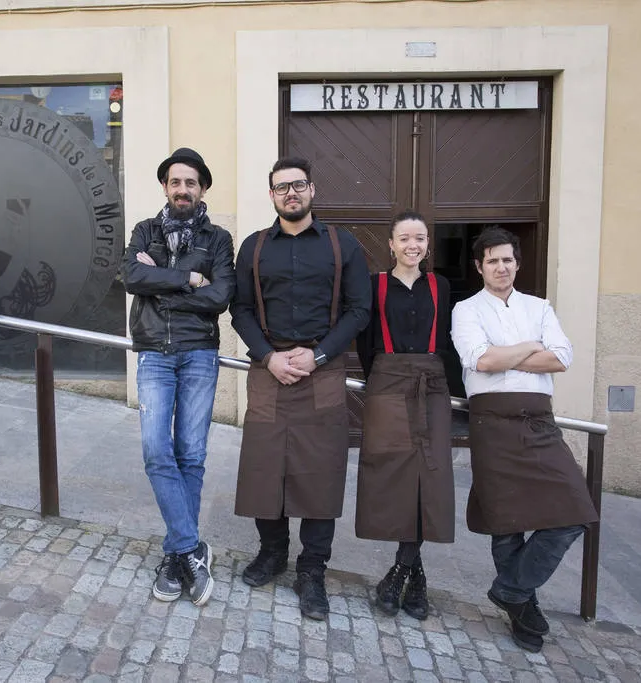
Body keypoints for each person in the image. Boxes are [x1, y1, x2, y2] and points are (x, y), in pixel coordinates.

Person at [230, 157, 371, 620]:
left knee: (320, 472)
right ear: (271, 195)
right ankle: (272, 553)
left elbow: (358, 310)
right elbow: (242, 311)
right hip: (268, 370)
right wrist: (268, 356)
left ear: (312, 189)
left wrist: (320, 355)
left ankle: (313, 570)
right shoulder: (252, 248)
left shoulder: (342, 245)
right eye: (281, 187)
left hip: (322, 371)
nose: (291, 193)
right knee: (264, 467)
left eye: (298, 185)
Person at [451, 226, 598, 653]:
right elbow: (479, 358)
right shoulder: (466, 309)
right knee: (506, 521)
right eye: (493, 260)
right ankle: (523, 612)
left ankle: (511, 589)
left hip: (538, 420)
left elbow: (563, 357)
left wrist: (507, 356)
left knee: (575, 513)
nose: (501, 267)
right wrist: (532, 348)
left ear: (518, 263)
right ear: (480, 266)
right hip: (492, 421)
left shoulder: (539, 306)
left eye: (508, 260)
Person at [121, 147, 235, 606]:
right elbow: (130, 276)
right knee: (156, 451)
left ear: (202, 187)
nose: (182, 189)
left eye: (190, 182)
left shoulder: (220, 237)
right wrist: (189, 279)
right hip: (154, 352)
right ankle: (190, 548)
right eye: (174, 182)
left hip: (199, 355)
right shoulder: (144, 231)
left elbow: (221, 296)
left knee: (191, 453)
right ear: (165, 187)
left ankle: (174, 555)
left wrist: (163, 281)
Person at [355, 210, 455, 621]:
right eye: (405, 239)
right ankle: (414, 574)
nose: (413, 246)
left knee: (427, 481)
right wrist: (385, 378)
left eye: (420, 238)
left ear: (427, 244)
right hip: (388, 382)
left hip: (430, 385)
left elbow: (447, 338)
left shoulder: (441, 285)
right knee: (393, 477)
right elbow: (365, 341)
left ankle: (402, 570)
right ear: (391, 244)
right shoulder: (374, 284)